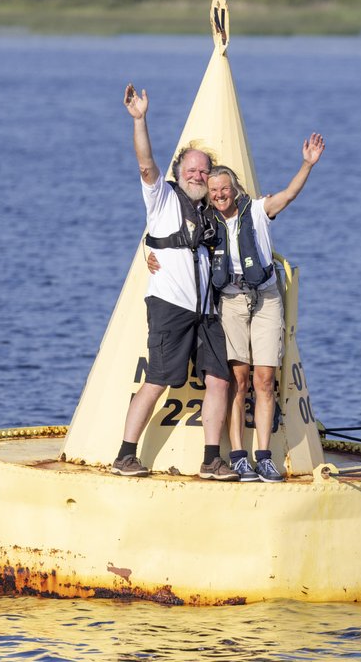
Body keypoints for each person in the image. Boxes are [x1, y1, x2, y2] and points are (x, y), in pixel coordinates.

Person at [149, 134, 325, 483]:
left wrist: (307, 164)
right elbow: (162, 232)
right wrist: (148, 254)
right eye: (213, 190)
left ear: (235, 188)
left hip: (266, 299)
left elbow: (288, 195)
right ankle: (238, 456)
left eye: (224, 188)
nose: (218, 194)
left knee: (264, 379)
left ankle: (264, 455)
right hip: (230, 300)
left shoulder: (257, 210)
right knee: (237, 379)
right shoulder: (206, 219)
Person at [112, 83, 238, 481]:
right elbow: (146, 163)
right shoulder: (162, 197)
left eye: (204, 170)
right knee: (159, 379)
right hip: (170, 307)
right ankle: (126, 454)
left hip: (207, 312)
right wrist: (140, 120)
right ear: (178, 172)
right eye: (191, 169)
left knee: (220, 379)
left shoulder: (211, 211)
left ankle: (211, 459)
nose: (198, 175)